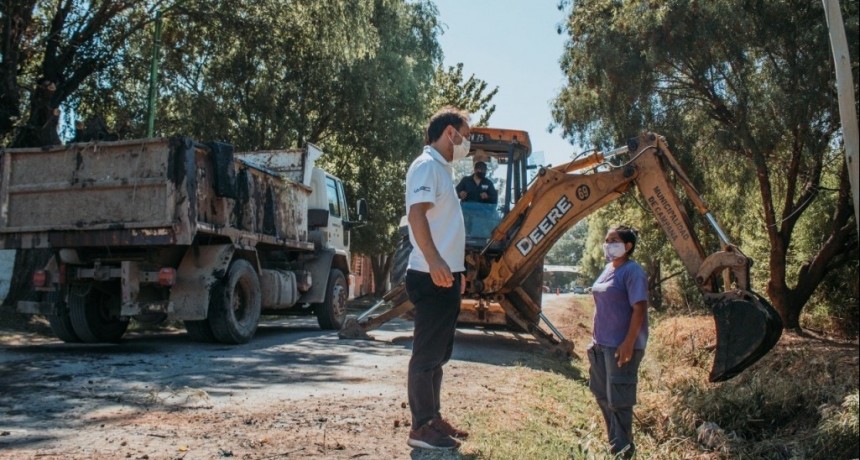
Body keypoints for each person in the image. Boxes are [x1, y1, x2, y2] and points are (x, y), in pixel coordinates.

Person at [403, 106, 471, 450]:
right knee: (426, 355)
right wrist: (434, 261)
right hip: (430, 277)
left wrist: (457, 272)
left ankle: (433, 418)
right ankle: (420, 428)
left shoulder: (441, 169)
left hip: (446, 277)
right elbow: (416, 215)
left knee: (439, 355)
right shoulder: (427, 166)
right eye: (465, 135)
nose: (465, 143)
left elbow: (446, 228)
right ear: (450, 133)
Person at [587, 226, 649, 458]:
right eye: (606, 240)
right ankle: (615, 443)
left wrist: (628, 342)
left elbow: (639, 308)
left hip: (621, 346)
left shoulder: (633, 272)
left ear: (628, 246)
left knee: (619, 401)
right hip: (601, 344)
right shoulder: (607, 269)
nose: (608, 244)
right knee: (602, 394)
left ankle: (623, 452)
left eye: (613, 240)